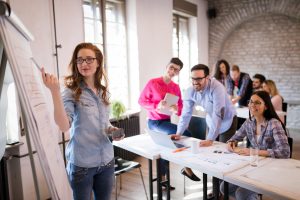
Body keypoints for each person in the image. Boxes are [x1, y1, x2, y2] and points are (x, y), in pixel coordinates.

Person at [41, 43, 122, 200]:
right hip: (82, 165)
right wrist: (55, 92)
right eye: (80, 60)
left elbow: (104, 123)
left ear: (98, 62)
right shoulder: (71, 91)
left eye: (89, 59)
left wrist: (112, 130)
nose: (84, 64)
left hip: (106, 161)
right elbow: (64, 125)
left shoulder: (102, 90)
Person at [172, 64, 237, 197]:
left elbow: (219, 113)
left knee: (224, 156)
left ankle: (222, 191)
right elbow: (186, 113)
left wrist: (210, 139)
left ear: (207, 77)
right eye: (193, 79)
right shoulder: (190, 91)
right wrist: (179, 132)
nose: (195, 82)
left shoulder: (217, 87)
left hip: (227, 120)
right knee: (210, 154)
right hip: (211, 120)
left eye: (199, 79)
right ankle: (215, 189)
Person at [220, 90, 290, 200]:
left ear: (266, 106)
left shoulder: (273, 123)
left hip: (271, 167)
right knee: (224, 188)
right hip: (254, 165)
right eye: (251, 102)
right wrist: (231, 143)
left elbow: (285, 151)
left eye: (257, 102)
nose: (253, 105)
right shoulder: (249, 122)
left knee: (241, 194)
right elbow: (235, 138)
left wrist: (253, 152)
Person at [138, 57, 191, 189]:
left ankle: (163, 181)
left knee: (166, 148)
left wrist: (176, 109)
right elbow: (141, 101)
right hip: (154, 123)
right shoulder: (153, 82)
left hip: (166, 121)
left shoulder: (176, 87)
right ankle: (186, 165)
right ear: (167, 66)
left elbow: (180, 107)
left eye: (176, 70)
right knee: (186, 133)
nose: (172, 71)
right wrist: (157, 105)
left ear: (178, 73)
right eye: (171, 67)